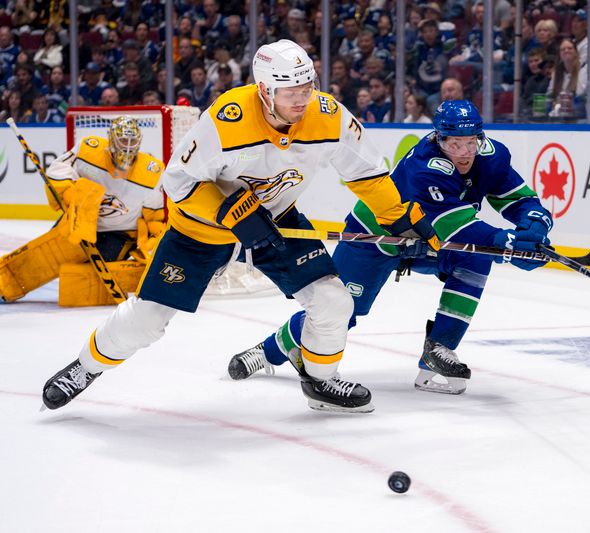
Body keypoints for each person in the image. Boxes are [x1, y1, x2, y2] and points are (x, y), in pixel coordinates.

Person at [40, 39, 439, 414]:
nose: (302, 99)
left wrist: (401, 219)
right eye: (291, 91)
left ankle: (321, 381)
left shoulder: (328, 115)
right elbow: (178, 181)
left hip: (276, 223)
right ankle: (85, 367)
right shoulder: (227, 119)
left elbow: (366, 174)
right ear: (265, 90)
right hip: (201, 231)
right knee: (148, 318)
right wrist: (231, 213)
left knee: (333, 300)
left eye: (307, 86)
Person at [226, 100, 552, 396]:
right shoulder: (426, 166)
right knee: (341, 312)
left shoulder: (489, 155)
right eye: (455, 144)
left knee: (475, 259)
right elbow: (449, 226)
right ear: (439, 139)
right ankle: (268, 351)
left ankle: (438, 350)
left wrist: (535, 222)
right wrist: (504, 242)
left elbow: (518, 198)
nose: (466, 152)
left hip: (423, 242)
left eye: (471, 142)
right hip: (376, 238)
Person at [0, 116, 166, 304]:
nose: (127, 146)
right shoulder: (88, 149)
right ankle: (4, 283)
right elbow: (58, 168)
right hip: (82, 219)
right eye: (123, 140)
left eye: (132, 141)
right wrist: (69, 194)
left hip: (119, 234)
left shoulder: (152, 173)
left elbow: (153, 214)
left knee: (80, 277)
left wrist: (151, 241)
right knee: (46, 257)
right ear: (112, 138)